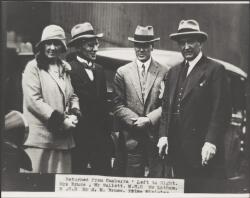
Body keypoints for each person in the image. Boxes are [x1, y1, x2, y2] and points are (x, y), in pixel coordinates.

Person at [157, 19, 231, 180]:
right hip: (177, 150)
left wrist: (211, 142)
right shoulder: (173, 72)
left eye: (191, 42)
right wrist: (163, 135)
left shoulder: (215, 70)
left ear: (200, 43)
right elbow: (166, 109)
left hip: (203, 151)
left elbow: (221, 111)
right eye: (182, 43)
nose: (186, 47)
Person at [22, 25, 81, 173]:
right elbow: (33, 101)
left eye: (57, 43)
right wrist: (61, 121)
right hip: (40, 141)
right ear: (42, 45)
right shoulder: (33, 67)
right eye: (48, 43)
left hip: (62, 141)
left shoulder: (64, 68)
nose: (52, 47)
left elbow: (72, 95)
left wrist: (74, 113)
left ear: (62, 46)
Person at [113, 25, 168, 177]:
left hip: (155, 139)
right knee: (133, 182)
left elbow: (167, 104)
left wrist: (149, 120)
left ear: (152, 47)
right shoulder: (122, 72)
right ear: (134, 47)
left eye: (145, 46)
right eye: (138, 45)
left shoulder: (164, 72)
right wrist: (137, 121)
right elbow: (117, 105)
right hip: (132, 138)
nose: (141, 49)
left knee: (156, 183)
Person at [67, 22, 113, 175]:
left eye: (96, 44)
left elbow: (103, 105)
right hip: (78, 139)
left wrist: (108, 137)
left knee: (103, 177)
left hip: (101, 140)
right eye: (90, 45)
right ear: (79, 47)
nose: (95, 49)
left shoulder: (99, 69)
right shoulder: (68, 68)